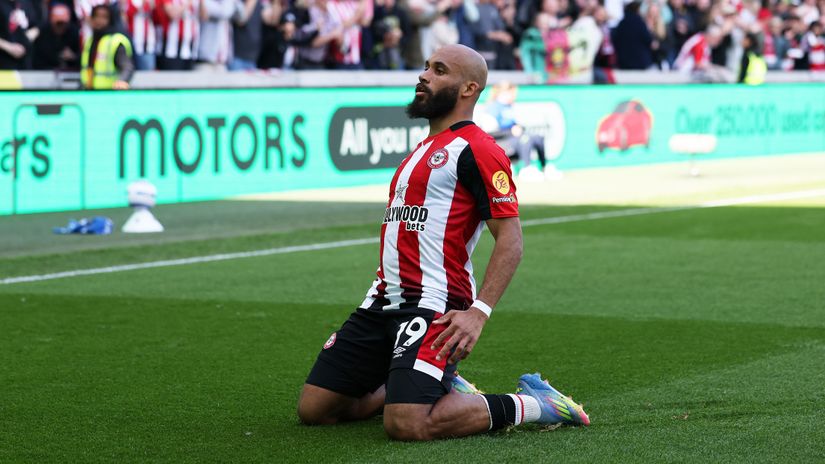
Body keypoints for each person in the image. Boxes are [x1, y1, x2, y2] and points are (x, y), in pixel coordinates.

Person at [297, 44, 589, 441]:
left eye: (438, 70)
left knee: (407, 425)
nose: (424, 76)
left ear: (468, 88)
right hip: (381, 301)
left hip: (434, 303)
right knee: (315, 410)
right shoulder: (419, 151)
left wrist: (478, 312)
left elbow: (511, 238)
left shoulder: (478, 150)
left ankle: (538, 404)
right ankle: (430, 380)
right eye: (425, 67)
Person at [81, 3, 133, 89]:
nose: (99, 20)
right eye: (96, 16)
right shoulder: (89, 41)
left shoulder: (115, 41)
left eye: (104, 17)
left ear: (110, 20)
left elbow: (127, 67)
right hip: (89, 91)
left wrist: (122, 80)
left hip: (109, 93)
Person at [32, 3, 80, 70]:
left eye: (63, 23)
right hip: (44, 72)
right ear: (51, 21)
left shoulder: (74, 33)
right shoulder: (43, 32)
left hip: (70, 72)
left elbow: (81, 57)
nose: (60, 26)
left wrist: (73, 56)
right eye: (58, 23)